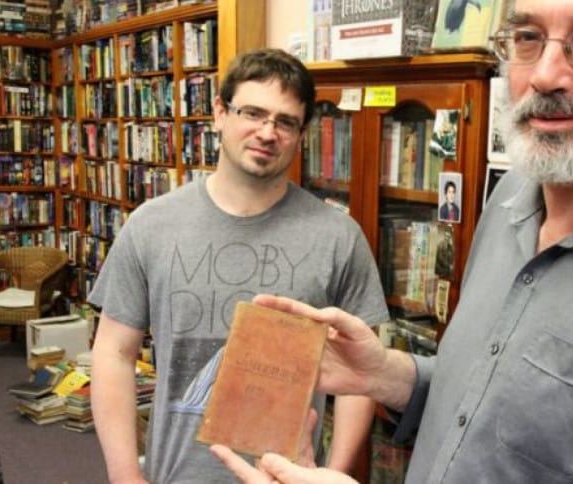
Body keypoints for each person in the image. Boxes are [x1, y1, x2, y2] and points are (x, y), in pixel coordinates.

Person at [213, 1, 573, 483]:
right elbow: (494, 404)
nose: (545, 75)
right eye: (527, 37)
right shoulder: (512, 200)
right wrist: (391, 375)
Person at [89, 48, 389, 483]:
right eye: (253, 113)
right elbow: (114, 353)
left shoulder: (339, 238)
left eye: (285, 122)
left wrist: (333, 474)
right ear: (219, 113)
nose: (267, 132)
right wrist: (124, 478)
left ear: (301, 134)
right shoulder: (151, 225)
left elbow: (360, 377)